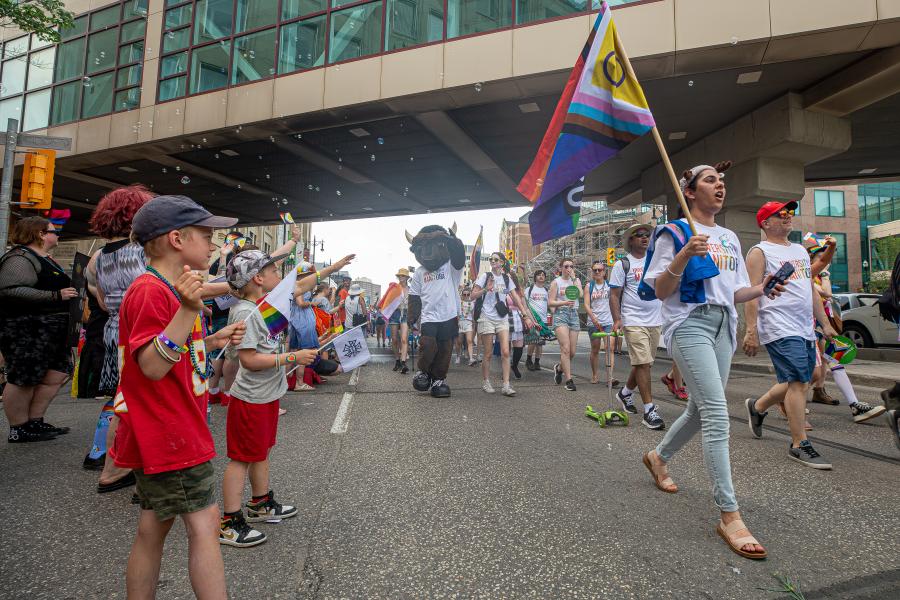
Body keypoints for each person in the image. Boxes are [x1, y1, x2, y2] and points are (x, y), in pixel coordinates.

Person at [641, 161, 785, 561]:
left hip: (724, 325)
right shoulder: (674, 231)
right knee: (718, 415)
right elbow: (659, 290)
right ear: (689, 191)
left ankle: (658, 457)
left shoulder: (729, 237)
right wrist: (685, 254)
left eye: (722, 181)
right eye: (710, 181)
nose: (720, 186)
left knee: (701, 411)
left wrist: (761, 289)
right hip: (689, 325)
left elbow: (734, 291)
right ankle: (729, 515)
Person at [110, 195, 245, 598]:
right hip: (171, 432)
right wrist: (189, 310)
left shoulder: (166, 287)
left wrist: (213, 336)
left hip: (165, 430)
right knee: (204, 525)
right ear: (176, 239)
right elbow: (152, 366)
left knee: (153, 527)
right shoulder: (153, 291)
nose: (214, 244)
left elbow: (171, 353)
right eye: (206, 235)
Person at [219, 251, 319, 547]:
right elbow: (248, 359)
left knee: (260, 452)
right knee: (240, 459)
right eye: (274, 270)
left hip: (265, 397)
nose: (280, 275)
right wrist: (292, 357)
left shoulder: (262, 304)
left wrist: (335, 267)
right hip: (250, 400)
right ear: (258, 279)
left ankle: (260, 503)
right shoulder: (245, 312)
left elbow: (298, 286)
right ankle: (228, 520)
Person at [743, 201, 836, 469]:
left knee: (806, 378)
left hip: (804, 326)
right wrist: (751, 330)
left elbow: (810, 290)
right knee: (798, 381)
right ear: (765, 223)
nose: (787, 217)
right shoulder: (759, 252)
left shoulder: (798, 251)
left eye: (790, 213)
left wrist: (825, 324)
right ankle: (799, 444)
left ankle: (758, 407)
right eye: (780, 214)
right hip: (778, 326)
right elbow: (752, 293)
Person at [82, 185, 154, 487]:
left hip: (115, 328)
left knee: (120, 396)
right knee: (140, 399)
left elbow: (98, 299)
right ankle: (116, 466)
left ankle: (100, 453)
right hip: (141, 329)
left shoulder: (98, 256)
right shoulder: (142, 252)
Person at [0, 217, 77, 443]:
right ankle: (18, 427)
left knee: (56, 373)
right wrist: (55, 295)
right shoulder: (20, 257)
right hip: (26, 328)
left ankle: (34, 420)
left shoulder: (44, 258)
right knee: (24, 376)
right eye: (54, 231)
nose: (58, 234)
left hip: (52, 329)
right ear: (40, 234)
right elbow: (9, 289)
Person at [609, 223, 666, 430]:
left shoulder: (657, 261)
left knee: (645, 363)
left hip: (655, 319)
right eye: (639, 235)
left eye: (647, 235)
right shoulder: (622, 264)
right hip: (633, 319)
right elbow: (614, 294)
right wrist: (618, 319)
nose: (644, 238)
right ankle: (649, 410)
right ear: (630, 240)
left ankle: (625, 393)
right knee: (642, 363)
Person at [407, 224, 466, 397]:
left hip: (449, 315)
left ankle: (439, 379)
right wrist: (412, 316)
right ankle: (424, 371)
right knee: (428, 345)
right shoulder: (419, 272)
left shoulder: (450, 267)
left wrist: (454, 241)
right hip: (429, 316)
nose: (428, 253)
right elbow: (415, 296)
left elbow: (459, 257)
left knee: (445, 349)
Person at [472, 253, 532, 396]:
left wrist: (525, 315)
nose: (492, 261)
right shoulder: (485, 276)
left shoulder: (507, 278)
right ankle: (486, 382)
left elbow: (516, 298)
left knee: (506, 351)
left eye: (496, 259)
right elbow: (473, 296)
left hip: (502, 317)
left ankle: (506, 385)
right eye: (491, 259)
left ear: (502, 263)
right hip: (486, 317)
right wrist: (486, 289)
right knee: (488, 353)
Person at [548, 259, 582, 391]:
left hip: (573, 314)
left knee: (572, 352)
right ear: (561, 268)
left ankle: (559, 368)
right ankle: (569, 380)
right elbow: (550, 302)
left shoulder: (576, 280)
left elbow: (579, 294)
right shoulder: (556, 282)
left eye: (571, 266)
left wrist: (574, 279)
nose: (569, 268)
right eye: (566, 266)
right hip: (561, 314)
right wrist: (563, 303)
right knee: (565, 349)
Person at [584, 260, 618, 386]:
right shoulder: (589, 286)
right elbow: (587, 305)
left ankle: (610, 377)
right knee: (595, 349)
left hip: (608, 321)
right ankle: (594, 375)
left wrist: (617, 319)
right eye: (595, 270)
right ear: (592, 273)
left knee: (610, 348)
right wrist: (593, 318)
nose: (597, 272)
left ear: (604, 272)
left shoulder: (610, 285)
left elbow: (615, 302)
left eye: (600, 270)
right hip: (594, 322)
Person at [524, 270, 549, 371]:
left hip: (543, 319)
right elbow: (525, 305)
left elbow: (549, 304)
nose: (541, 276)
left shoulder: (547, 291)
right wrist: (528, 318)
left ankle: (537, 362)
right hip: (532, 319)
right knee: (533, 341)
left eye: (543, 275)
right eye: (539, 275)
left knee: (540, 343)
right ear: (535, 277)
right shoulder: (529, 289)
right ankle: (529, 360)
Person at [389, 268, 411, 374]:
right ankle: (397, 360)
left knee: (403, 339)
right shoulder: (394, 288)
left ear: (407, 277)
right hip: (395, 313)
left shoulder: (411, 289)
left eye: (403, 276)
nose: (401, 277)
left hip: (406, 314)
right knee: (394, 339)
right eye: (400, 276)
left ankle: (403, 363)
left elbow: (414, 302)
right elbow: (387, 301)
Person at [458, 287, 477, 365]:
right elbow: (456, 313)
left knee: (469, 340)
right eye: (464, 294)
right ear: (462, 295)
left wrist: (473, 324)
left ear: (469, 295)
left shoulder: (472, 303)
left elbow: (472, 315)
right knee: (459, 342)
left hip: (468, 322)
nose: (466, 296)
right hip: (460, 323)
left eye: (467, 294)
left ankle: (471, 358)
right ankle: (458, 356)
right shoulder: (459, 303)